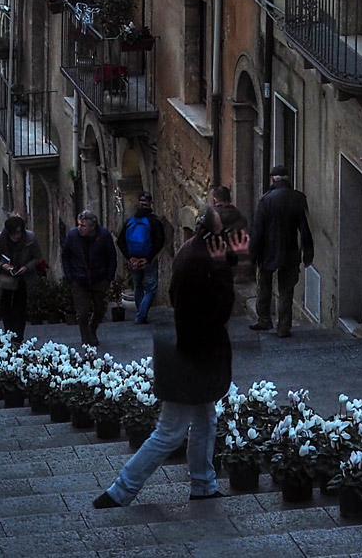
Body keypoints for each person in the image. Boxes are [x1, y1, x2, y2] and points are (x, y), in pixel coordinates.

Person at [94, 204, 251, 510]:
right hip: (192, 356)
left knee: (206, 420)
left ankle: (204, 485)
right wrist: (223, 271)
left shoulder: (199, 251)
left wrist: (227, 260)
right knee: (170, 432)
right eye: (234, 235)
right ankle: (121, 490)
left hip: (197, 352)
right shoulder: (197, 261)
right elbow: (217, 311)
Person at [248, 165, 314, 338]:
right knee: (286, 290)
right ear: (288, 179)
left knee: (264, 285)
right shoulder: (298, 198)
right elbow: (305, 229)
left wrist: (253, 254)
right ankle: (283, 327)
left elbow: (257, 231)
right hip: (290, 251)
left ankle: (264, 320)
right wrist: (308, 254)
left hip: (267, 251)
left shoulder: (266, 200)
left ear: (272, 179)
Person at [60, 209, 118, 347]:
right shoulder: (73, 236)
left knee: (99, 310)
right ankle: (86, 339)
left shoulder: (103, 236)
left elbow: (112, 257)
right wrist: (70, 277)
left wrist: (109, 277)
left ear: (92, 227)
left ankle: (92, 330)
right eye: (79, 224)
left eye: (83, 226)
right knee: (82, 313)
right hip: (79, 279)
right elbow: (65, 256)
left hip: (99, 278)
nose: (80, 228)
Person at [0, 213, 42, 343]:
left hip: (22, 278)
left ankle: (18, 338)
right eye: (14, 234)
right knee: (6, 308)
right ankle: (8, 335)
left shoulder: (30, 238)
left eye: (19, 233)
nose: (16, 236)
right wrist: (2, 266)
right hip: (4, 278)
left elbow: (37, 257)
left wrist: (27, 267)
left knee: (20, 309)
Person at [117, 191, 167, 324]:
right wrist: (149, 258)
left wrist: (130, 257)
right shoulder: (154, 221)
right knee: (151, 288)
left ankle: (141, 312)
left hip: (133, 259)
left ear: (138, 203)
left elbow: (120, 241)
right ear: (150, 204)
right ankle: (141, 315)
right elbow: (160, 241)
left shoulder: (130, 221)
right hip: (147, 260)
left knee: (138, 286)